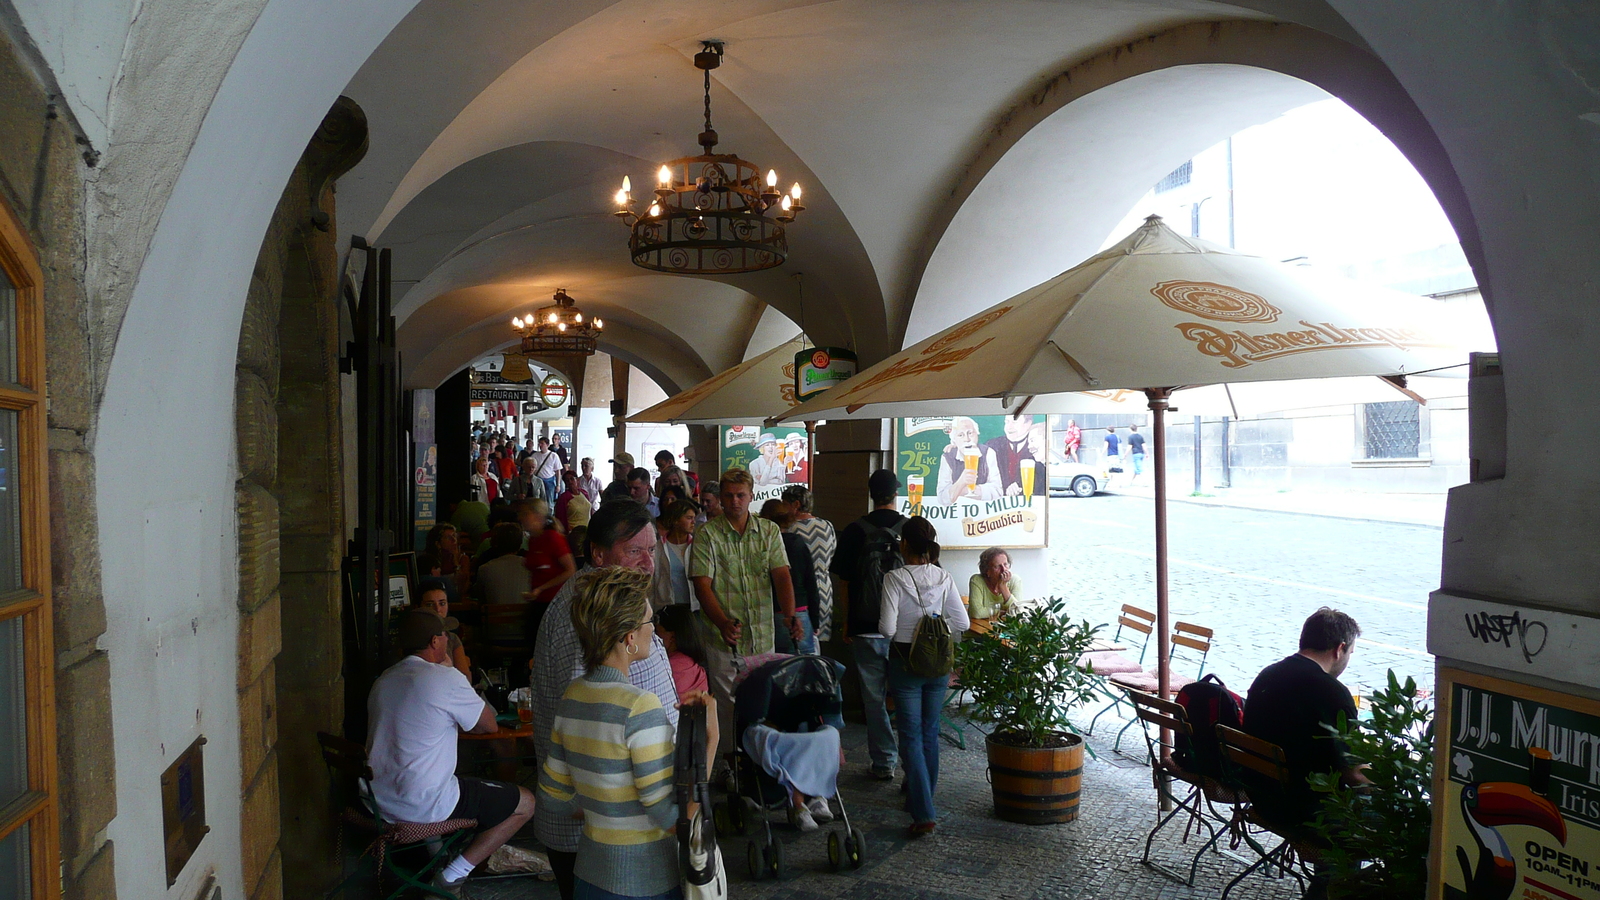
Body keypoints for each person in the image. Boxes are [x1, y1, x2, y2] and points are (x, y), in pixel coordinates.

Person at [538, 567, 719, 900]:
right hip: (643, 882)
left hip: (588, 877)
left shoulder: (573, 696)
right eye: (649, 622)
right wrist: (711, 741)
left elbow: (552, 797)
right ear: (629, 637)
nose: (656, 631)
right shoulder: (640, 706)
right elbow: (675, 820)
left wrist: (609, 805)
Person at [531, 500, 680, 900]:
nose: (648, 563)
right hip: (606, 838)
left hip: (610, 832)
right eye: (635, 551)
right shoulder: (585, 615)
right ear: (597, 553)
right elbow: (592, 728)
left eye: (652, 550)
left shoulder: (611, 604)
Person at [368, 609, 535, 897]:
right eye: (445, 635)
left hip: (377, 801)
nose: (448, 639)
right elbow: (488, 724)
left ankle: (435, 863)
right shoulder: (443, 677)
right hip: (421, 804)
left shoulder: (384, 679)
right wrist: (450, 672)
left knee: (448, 782)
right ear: (436, 642)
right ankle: (450, 877)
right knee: (526, 803)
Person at [690, 468, 800, 755]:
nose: (735, 501)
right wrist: (722, 622)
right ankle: (731, 761)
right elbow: (702, 585)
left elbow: (781, 576)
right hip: (723, 639)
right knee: (728, 706)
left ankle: (759, 760)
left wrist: (790, 615)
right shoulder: (707, 535)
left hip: (763, 634)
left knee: (761, 702)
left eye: (741, 495)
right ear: (720, 499)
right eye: (729, 496)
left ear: (751, 496)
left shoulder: (768, 531)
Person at [1242, 607, 1369, 831]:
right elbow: (1354, 774)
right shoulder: (1333, 693)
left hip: (1262, 797)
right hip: (1306, 812)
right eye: (1350, 653)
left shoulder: (1267, 675)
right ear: (1340, 649)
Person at [880, 516, 969, 837]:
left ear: (904, 544)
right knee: (930, 733)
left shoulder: (894, 578)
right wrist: (933, 619)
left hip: (905, 662)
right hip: (938, 664)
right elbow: (963, 623)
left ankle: (923, 811)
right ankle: (923, 799)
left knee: (911, 735)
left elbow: (887, 629)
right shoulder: (944, 577)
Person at [830, 468, 906, 780]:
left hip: (865, 624)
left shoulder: (853, 531)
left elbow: (844, 583)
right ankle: (911, 763)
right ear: (895, 494)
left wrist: (848, 623)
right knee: (906, 697)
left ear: (871, 495)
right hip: (904, 629)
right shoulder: (910, 528)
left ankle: (884, 761)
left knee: (874, 699)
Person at [761, 499, 819, 655]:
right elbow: (810, 583)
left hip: (769, 612)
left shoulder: (760, 544)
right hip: (799, 612)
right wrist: (815, 620)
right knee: (803, 668)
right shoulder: (798, 543)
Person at [780, 485, 837, 643]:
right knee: (818, 643)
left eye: (784, 504)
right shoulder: (828, 526)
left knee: (802, 645)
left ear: (796, 505)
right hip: (825, 589)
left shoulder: (791, 530)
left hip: (801, 594)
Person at [519, 499, 575, 647]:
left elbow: (570, 569)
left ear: (537, 516)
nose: (521, 518)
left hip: (554, 603)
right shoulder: (533, 540)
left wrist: (541, 588)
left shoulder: (552, 538)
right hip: (538, 601)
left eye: (526, 514)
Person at [936, 415, 1002, 504]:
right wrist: (962, 481)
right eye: (960, 435)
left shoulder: (988, 453)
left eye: (970, 433)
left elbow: (997, 492)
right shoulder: (947, 457)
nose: (967, 439)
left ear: (977, 434)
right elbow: (942, 498)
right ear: (954, 440)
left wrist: (963, 490)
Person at [654, 603, 710, 699]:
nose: (654, 637)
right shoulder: (692, 664)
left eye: (657, 631)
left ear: (672, 636)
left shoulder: (667, 666)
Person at [416, 585, 472, 679]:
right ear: (418, 607)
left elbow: (465, 678)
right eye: (430, 604)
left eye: (442, 604)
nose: (437, 609)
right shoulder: (413, 638)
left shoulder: (452, 639)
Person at [651, 499, 698, 610]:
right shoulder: (658, 548)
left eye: (694, 518)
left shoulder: (697, 546)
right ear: (675, 520)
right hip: (666, 609)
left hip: (694, 607)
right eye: (689, 518)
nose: (693, 522)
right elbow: (652, 583)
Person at [984, 413, 1037, 497]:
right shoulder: (992, 445)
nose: (1009, 427)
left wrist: (1019, 485)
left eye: (1014, 422)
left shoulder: (1037, 447)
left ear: (1028, 423)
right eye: (1007, 422)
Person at [968, 547, 1020, 620]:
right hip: (980, 627)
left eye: (1005, 564)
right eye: (997, 566)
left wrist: (1003, 587)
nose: (1003, 569)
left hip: (1008, 628)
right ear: (987, 571)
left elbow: (1019, 611)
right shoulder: (977, 580)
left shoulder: (1015, 580)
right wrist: (1000, 611)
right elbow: (976, 613)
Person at [426, 522, 473, 597]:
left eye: (454, 536)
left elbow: (463, 589)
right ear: (438, 543)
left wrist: (456, 561)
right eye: (448, 537)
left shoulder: (463, 559)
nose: (454, 540)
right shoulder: (430, 560)